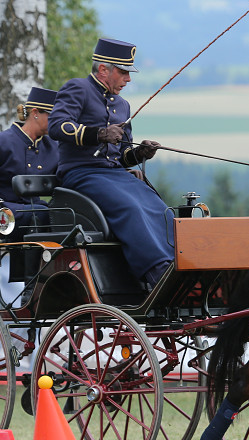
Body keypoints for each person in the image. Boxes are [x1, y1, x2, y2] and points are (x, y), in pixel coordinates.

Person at [48, 38, 173, 287]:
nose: (128, 79)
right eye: (124, 72)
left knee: (159, 207)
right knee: (131, 208)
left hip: (115, 175)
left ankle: (174, 265)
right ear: (104, 69)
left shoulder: (123, 105)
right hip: (81, 174)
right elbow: (57, 125)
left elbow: (122, 155)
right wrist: (98, 133)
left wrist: (139, 154)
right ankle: (156, 273)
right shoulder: (77, 89)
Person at [0, 87, 58, 240]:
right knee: (43, 214)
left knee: (63, 216)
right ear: (35, 113)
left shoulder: (53, 147)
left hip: (33, 214)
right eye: (52, 116)